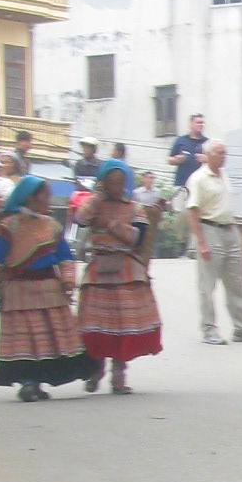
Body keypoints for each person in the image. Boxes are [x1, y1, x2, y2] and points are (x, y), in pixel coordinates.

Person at [0, 177, 97, 402]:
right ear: (31, 198)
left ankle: (36, 382)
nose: (48, 200)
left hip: (49, 290)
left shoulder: (51, 226)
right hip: (19, 292)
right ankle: (29, 383)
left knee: (46, 339)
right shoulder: (8, 227)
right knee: (27, 340)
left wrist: (69, 280)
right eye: (45, 196)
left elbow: (64, 257)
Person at [76, 158, 163, 395]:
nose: (115, 187)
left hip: (125, 270)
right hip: (98, 270)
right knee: (97, 325)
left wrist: (110, 224)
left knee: (123, 326)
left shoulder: (134, 208)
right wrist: (96, 200)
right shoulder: (95, 204)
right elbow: (80, 219)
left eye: (119, 182)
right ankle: (96, 370)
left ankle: (119, 375)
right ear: (103, 183)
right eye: (110, 182)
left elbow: (137, 237)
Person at [183, 141, 242, 345]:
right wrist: (201, 242)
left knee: (237, 282)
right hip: (210, 229)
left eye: (225, 152)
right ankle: (209, 328)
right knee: (207, 284)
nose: (224, 156)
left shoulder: (224, 174)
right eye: (220, 153)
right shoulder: (198, 179)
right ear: (208, 155)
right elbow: (192, 211)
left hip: (230, 228)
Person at [169, 112, 209, 189]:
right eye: (198, 123)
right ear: (191, 124)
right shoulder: (180, 140)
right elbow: (169, 160)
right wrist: (177, 160)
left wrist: (207, 159)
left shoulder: (208, 142)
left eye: (202, 123)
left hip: (202, 185)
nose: (201, 125)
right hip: (183, 183)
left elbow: (216, 162)